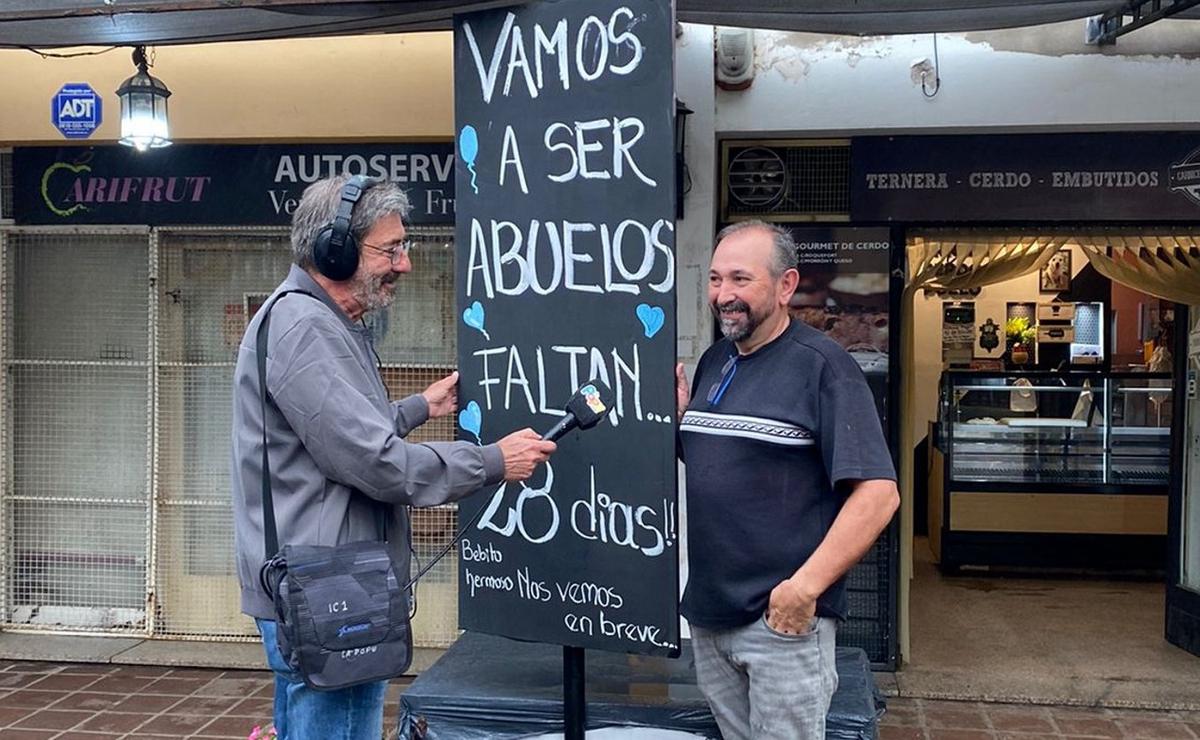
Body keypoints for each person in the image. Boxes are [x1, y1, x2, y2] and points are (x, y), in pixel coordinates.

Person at [231, 175, 556, 740]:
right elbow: (376, 463)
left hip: (325, 586)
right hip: (329, 592)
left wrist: (416, 407)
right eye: (392, 248)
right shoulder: (305, 328)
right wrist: (494, 461)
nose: (404, 264)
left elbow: (330, 431)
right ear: (335, 249)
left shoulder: (317, 321)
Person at [674, 220, 899, 740]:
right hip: (711, 616)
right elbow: (723, 466)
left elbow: (879, 494)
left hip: (780, 623)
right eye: (714, 279)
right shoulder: (717, 361)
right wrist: (680, 424)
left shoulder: (825, 367)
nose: (723, 295)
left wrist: (803, 591)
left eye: (739, 279)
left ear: (786, 285)